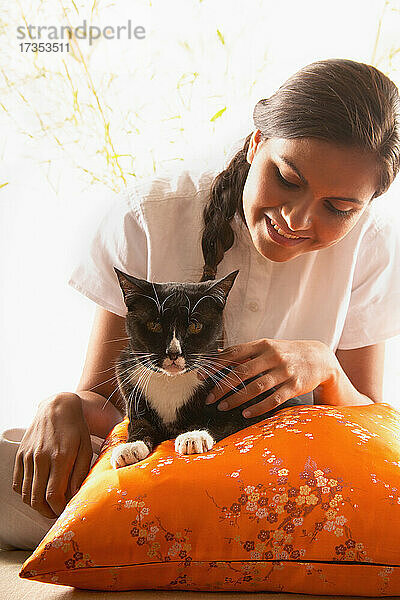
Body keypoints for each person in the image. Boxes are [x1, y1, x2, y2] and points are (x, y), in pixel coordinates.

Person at [1, 57, 400, 551]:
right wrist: (62, 405)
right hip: (164, 460)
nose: (296, 219)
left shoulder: (375, 246)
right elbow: (109, 407)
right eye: (288, 179)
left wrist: (325, 367)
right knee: (13, 474)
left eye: (339, 209)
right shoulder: (148, 216)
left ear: (368, 203)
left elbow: (371, 430)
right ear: (257, 142)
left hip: (286, 478)